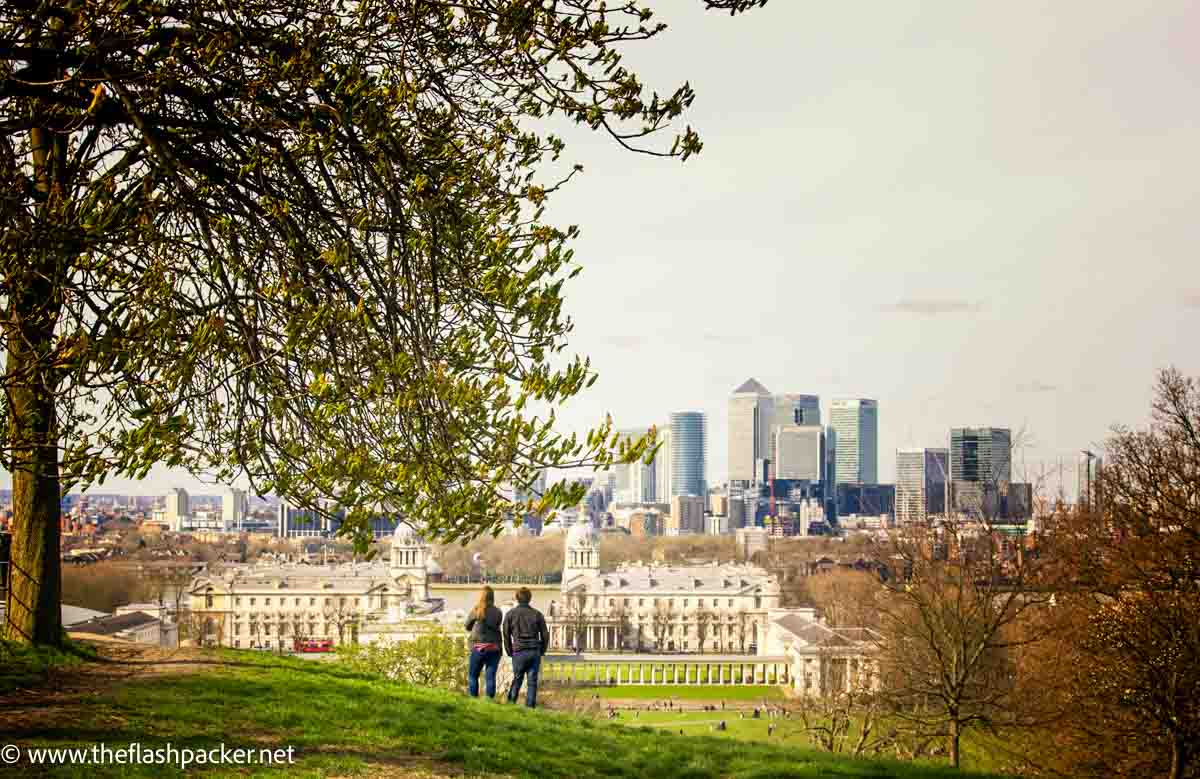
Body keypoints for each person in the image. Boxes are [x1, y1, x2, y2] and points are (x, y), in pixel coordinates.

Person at [502, 586, 549, 708]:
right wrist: (542, 650)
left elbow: (505, 634)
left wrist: (509, 651)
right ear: (529, 599)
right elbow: (545, 634)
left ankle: (511, 704)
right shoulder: (537, 614)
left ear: (517, 599)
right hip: (534, 651)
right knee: (532, 682)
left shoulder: (510, 614)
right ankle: (529, 708)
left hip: (519, 650)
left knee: (517, 679)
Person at [465, 586, 503, 699]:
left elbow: (467, 626)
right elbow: (496, 624)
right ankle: (489, 700)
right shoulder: (498, 612)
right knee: (490, 677)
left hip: (478, 647)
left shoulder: (477, 609)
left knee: (473, 676)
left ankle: (473, 699)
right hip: (493, 647)